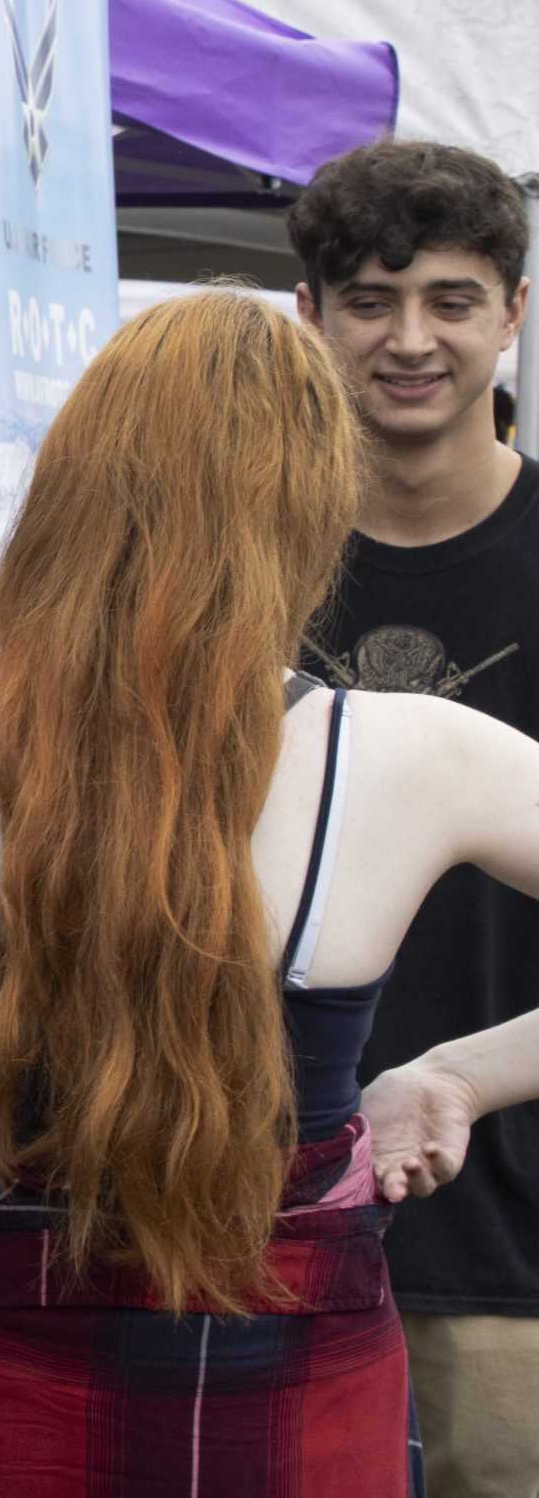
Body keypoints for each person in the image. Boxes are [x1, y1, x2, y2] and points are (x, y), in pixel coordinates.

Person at [0, 290, 539, 1495]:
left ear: (70, 481)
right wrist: (453, 1079)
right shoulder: (419, 754)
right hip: (286, 1355)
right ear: (313, 508)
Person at [289, 138, 539, 1498]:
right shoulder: (233, 571)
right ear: (308, 319)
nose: (409, 337)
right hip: (250, 1229)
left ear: (514, 314)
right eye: (371, 299)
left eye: (451, 298)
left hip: (514, 1263)